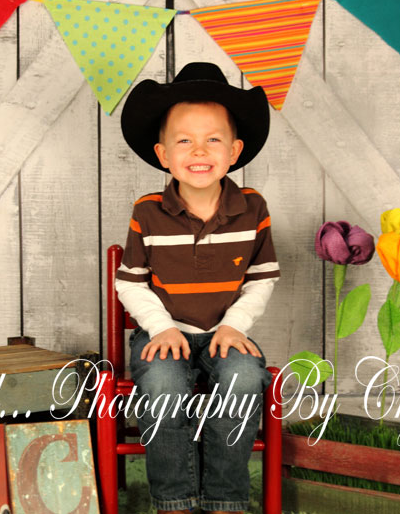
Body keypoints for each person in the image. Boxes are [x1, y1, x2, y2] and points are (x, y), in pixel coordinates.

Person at [116, 62, 280, 514]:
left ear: (235, 150)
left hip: (226, 332)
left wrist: (235, 325)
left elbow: (261, 277)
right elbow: (130, 283)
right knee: (163, 388)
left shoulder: (253, 208)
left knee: (245, 378)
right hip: (163, 332)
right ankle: (175, 501)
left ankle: (224, 500)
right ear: (163, 154)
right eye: (184, 141)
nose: (199, 151)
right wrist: (160, 327)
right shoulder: (148, 212)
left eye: (213, 139)